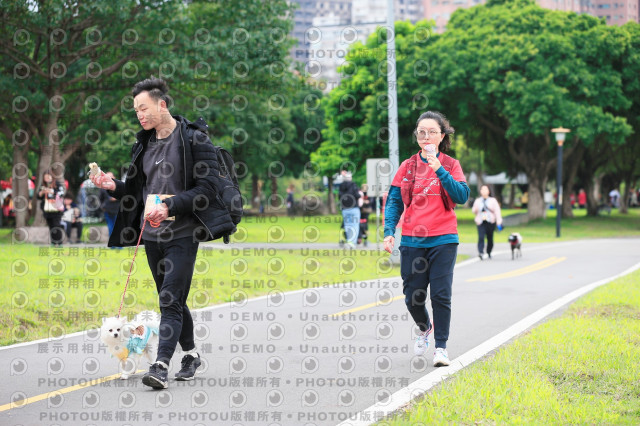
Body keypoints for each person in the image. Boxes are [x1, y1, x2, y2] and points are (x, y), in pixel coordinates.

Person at [90, 77, 236, 390]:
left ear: (162, 104)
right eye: (136, 111)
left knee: (169, 300)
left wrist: (169, 206)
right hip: (152, 236)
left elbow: (207, 189)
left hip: (183, 233)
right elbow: (138, 191)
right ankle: (191, 355)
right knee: (173, 299)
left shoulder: (195, 140)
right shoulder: (143, 144)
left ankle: (160, 366)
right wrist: (112, 185)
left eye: (144, 108)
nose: (139, 115)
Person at [383, 111, 469, 367]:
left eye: (432, 132)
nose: (426, 136)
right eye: (421, 132)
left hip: (444, 238)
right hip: (412, 240)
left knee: (441, 295)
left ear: (442, 136)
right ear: (417, 136)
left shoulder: (451, 164)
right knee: (413, 296)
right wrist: (389, 232)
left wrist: (439, 170)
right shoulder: (408, 166)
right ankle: (424, 328)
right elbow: (394, 201)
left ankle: (441, 348)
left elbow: (462, 196)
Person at [471, 185, 503, 260]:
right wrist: (476, 208)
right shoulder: (478, 201)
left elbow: (497, 211)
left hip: (490, 222)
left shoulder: (493, 200)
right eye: (482, 189)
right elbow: (474, 211)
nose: (484, 191)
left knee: (490, 238)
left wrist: (499, 221)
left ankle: (489, 251)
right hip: (481, 222)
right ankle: (481, 252)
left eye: (486, 189)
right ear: (480, 191)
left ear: (489, 191)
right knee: (481, 237)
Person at [38, 170, 65, 246]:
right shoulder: (43, 185)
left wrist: (52, 191)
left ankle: (59, 242)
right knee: (51, 225)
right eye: (45, 178)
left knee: (56, 225)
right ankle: (53, 242)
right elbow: (38, 196)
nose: (47, 179)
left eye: (48, 177)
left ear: (52, 177)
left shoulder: (57, 184)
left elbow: (61, 193)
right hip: (47, 209)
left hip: (56, 209)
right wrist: (42, 192)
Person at [338, 170, 361, 248]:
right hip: (354, 208)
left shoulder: (341, 186)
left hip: (345, 209)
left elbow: (339, 196)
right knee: (355, 225)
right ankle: (352, 242)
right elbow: (357, 195)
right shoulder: (353, 185)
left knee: (347, 225)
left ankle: (349, 241)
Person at [99, 172, 120, 236]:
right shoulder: (103, 187)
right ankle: (112, 241)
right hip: (107, 210)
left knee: (118, 226)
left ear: (114, 177)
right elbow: (100, 198)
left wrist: (116, 197)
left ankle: (118, 241)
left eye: (111, 177)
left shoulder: (119, 186)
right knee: (110, 226)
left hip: (117, 210)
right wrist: (103, 207)